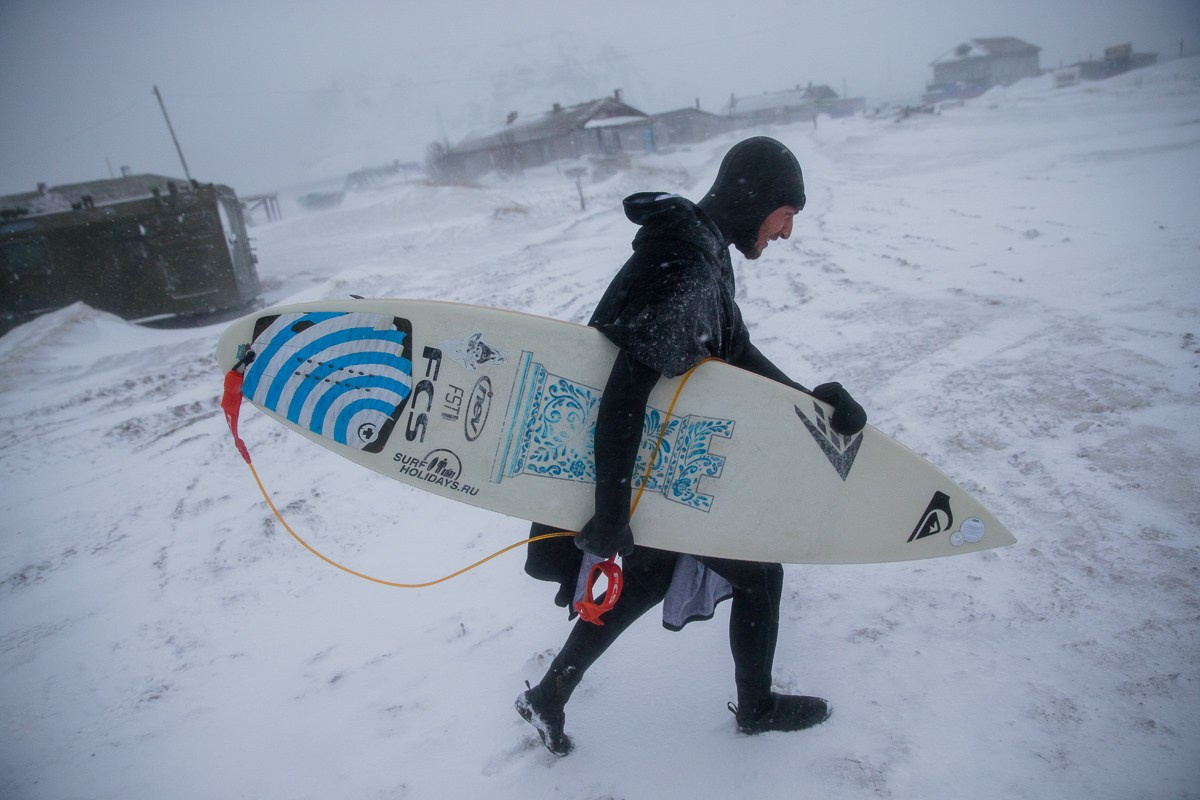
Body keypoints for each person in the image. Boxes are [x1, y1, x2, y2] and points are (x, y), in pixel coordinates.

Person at [516, 136, 867, 756]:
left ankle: (550, 694)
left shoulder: (702, 250)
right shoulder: (685, 265)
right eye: (786, 214)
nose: (787, 232)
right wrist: (612, 511)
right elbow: (624, 394)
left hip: (653, 463)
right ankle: (756, 709)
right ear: (757, 201)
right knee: (759, 574)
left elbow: (732, 350)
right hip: (637, 464)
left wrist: (813, 402)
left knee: (651, 573)